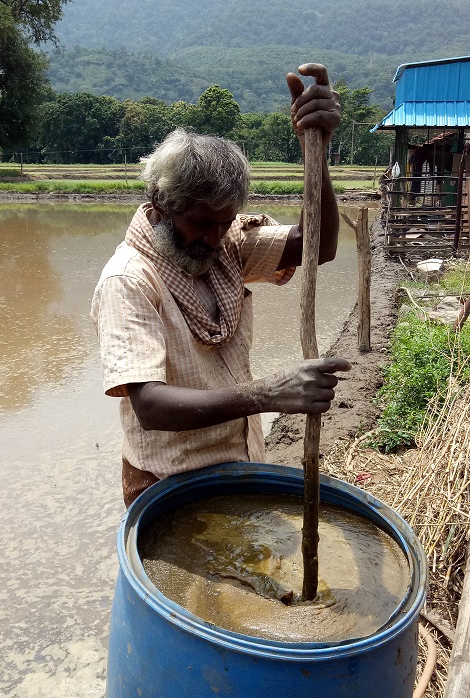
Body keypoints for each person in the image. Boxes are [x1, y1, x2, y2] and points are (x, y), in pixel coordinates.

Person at [91, 64, 350, 505]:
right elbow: (150, 406)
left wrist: (315, 150)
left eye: (225, 222)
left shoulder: (226, 247)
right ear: (161, 204)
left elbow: (317, 246)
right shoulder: (129, 280)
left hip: (240, 461)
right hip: (167, 485)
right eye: (200, 222)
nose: (213, 237)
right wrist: (271, 393)